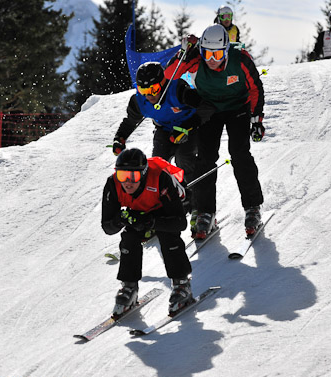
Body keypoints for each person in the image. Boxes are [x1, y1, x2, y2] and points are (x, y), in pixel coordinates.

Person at [165, 24, 265, 239]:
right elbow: (169, 75)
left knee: (239, 154)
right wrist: (183, 52)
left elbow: (256, 87)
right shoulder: (195, 59)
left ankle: (253, 207)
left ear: (226, 50)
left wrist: (257, 119)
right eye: (207, 53)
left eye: (218, 53)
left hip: (238, 108)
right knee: (205, 159)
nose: (212, 58)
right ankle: (205, 211)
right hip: (210, 109)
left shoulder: (240, 59)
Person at [112, 61, 216, 218]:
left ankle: (198, 206)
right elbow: (130, 121)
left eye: (153, 89)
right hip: (165, 130)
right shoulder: (140, 101)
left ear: (163, 83)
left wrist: (188, 126)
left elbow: (206, 106)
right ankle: (159, 206)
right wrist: (119, 139)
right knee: (156, 166)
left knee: (184, 158)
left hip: (188, 128)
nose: (149, 95)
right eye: (143, 90)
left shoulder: (177, 90)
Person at [101, 148, 194, 316]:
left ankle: (181, 283)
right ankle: (129, 287)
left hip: (165, 210)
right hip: (138, 212)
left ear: (143, 174)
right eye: (122, 175)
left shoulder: (160, 179)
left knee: (168, 235)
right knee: (129, 237)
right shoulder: (113, 184)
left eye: (133, 176)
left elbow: (180, 223)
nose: (127, 182)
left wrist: (152, 222)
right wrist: (121, 219)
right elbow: (107, 227)